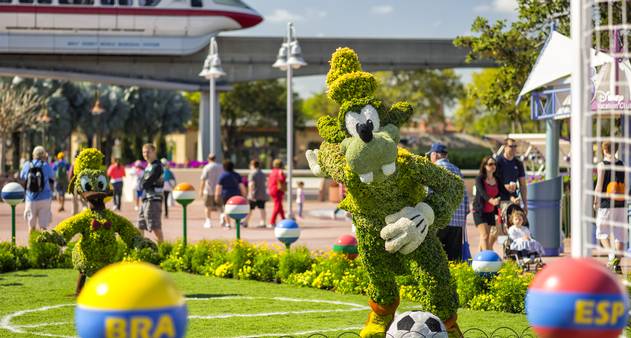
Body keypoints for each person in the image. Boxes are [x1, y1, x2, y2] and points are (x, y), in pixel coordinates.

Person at [427, 143, 469, 261]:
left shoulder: (434, 168)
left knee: (437, 257)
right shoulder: (457, 170)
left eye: (430, 155)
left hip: (439, 220)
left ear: (435, 155)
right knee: (454, 258)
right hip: (457, 222)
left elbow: (429, 193)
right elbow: (464, 195)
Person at [594, 141, 627, 274]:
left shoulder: (602, 165)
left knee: (601, 233)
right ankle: (616, 264)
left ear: (604, 150)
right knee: (620, 235)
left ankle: (611, 254)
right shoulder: (621, 164)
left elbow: (599, 185)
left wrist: (595, 200)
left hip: (606, 203)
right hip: (621, 203)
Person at [473, 156, 513, 251]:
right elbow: (483, 193)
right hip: (479, 211)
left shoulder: (497, 179)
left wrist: (513, 198)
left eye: (494, 164)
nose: (493, 166)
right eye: (490, 164)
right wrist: (492, 201)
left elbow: (504, 192)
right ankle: (487, 259)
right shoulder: (479, 179)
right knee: (485, 235)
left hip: (490, 212)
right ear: (485, 166)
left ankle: (479, 258)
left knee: (485, 237)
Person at [20, 146, 54, 233]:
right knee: (43, 227)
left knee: (31, 227)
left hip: (30, 198)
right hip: (45, 198)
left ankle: (31, 245)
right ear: (43, 155)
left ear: (33, 155)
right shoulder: (46, 165)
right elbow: (52, 177)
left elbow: (22, 177)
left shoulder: (27, 165)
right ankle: (42, 245)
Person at [137, 144, 164, 243]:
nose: (145, 154)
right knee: (140, 224)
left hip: (154, 200)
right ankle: (140, 247)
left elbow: (146, 183)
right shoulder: (148, 166)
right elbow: (142, 183)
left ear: (154, 152)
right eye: (144, 152)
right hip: (146, 199)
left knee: (155, 226)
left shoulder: (157, 166)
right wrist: (142, 184)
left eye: (148, 152)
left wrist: (143, 184)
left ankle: (162, 249)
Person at [496, 138, 528, 215]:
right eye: (511, 146)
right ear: (505, 147)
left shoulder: (518, 163)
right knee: (502, 226)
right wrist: (505, 186)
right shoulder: (498, 162)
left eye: (515, 146)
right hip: (501, 200)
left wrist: (525, 204)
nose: (514, 148)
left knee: (515, 225)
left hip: (515, 200)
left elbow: (523, 185)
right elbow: (494, 182)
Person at [214, 160, 246, 228]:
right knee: (236, 209)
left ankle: (228, 224)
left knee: (226, 209)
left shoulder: (222, 175)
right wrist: (244, 194)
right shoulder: (236, 175)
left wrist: (217, 196)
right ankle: (236, 222)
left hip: (226, 195)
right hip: (236, 194)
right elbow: (241, 186)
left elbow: (218, 187)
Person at [200, 153, 223, 228]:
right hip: (219, 190)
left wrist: (201, 190)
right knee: (220, 206)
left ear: (208, 159)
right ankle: (222, 219)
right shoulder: (220, 167)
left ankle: (208, 221)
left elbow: (203, 179)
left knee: (208, 206)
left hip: (209, 190)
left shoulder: (207, 167)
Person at [245, 159, 267, 228]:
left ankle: (246, 222)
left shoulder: (252, 174)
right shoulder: (262, 173)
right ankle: (263, 222)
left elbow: (251, 184)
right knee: (262, 208)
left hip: (254, 195)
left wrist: (250, 194)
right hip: (262, 194)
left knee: (250, 209)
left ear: (252, 165)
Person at [267, 159, 286, 227]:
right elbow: (281, 179)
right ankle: (272, 221)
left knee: (279, 206)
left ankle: (284, 220)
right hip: (277, 190)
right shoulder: (279, 171)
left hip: (272, 189)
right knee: (277, 206)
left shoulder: (272, 171)